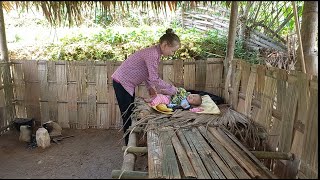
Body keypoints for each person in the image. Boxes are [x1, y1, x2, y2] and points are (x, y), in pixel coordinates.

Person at [112, 28, 181, 145]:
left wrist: (150, 89)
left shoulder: (155, 53)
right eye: (173, 51)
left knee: (130, 112)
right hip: (122, 82)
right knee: (127, 114)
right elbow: (154, 78)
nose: (172, 54)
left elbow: (148, 75)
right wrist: (172, 89)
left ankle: (132, 141)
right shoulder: (152, 54)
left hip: (126, 84)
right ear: (165, 45)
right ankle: (129, 144)